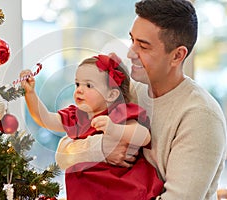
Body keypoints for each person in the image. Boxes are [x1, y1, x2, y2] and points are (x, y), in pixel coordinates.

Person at [55, 0, 227, 199]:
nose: (130, 53)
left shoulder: (201, 117)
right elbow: (62, 154)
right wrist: (102, 149)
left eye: (143, 47)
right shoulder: (131, 91)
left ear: (177, 55)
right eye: (132, 40)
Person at [20, 54, 163, 199]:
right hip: (91, 190)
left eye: (88, 85)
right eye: (77, 84)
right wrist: (30, 93)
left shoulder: (118, 112)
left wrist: (114, 129)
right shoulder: (77, 116)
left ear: (112, 95)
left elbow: (144, 136)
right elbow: (46, 119)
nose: (79, 90)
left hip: (123, 185)